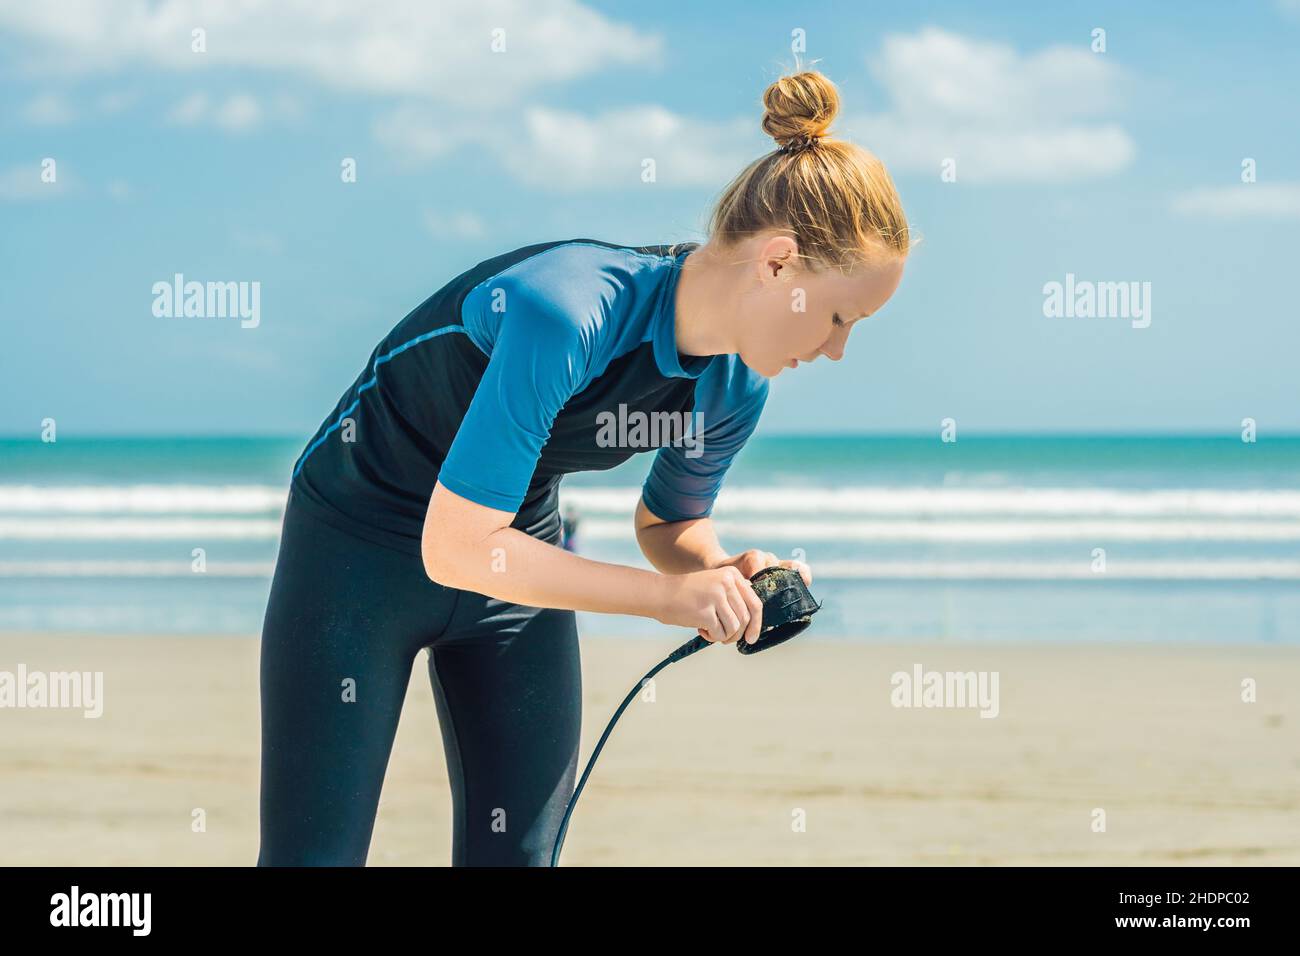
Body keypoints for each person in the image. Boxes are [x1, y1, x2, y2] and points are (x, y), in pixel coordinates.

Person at [257, 69, 910, 866]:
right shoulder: (568, 310)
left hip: (517, 564)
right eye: (840, 317)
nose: (837, 348)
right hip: (356, 550)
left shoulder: (736, 382)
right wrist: (668, 598)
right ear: (776, 264)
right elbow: (456, 547)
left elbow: (670, 524)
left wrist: (719, 572)